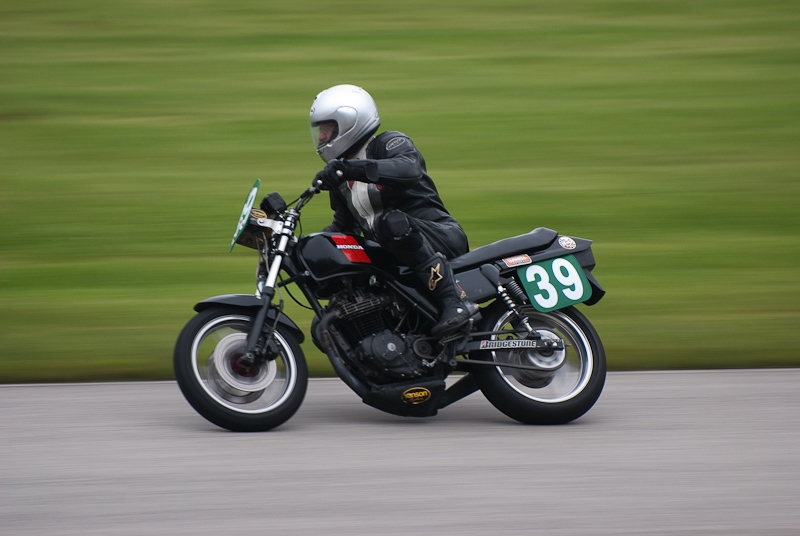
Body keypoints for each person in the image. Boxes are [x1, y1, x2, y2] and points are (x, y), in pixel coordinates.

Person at [308, 84, 477, 337]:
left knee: (390, 223)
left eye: (326, 129)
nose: (322, 137)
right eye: (320, 130)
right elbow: (343, 228)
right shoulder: (342, 177)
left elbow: (409, 169)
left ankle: (456, 301)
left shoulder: (389, 143)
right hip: (398, 252)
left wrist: (351, 170)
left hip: (440, 237)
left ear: (349, 122)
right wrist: (309, 246)